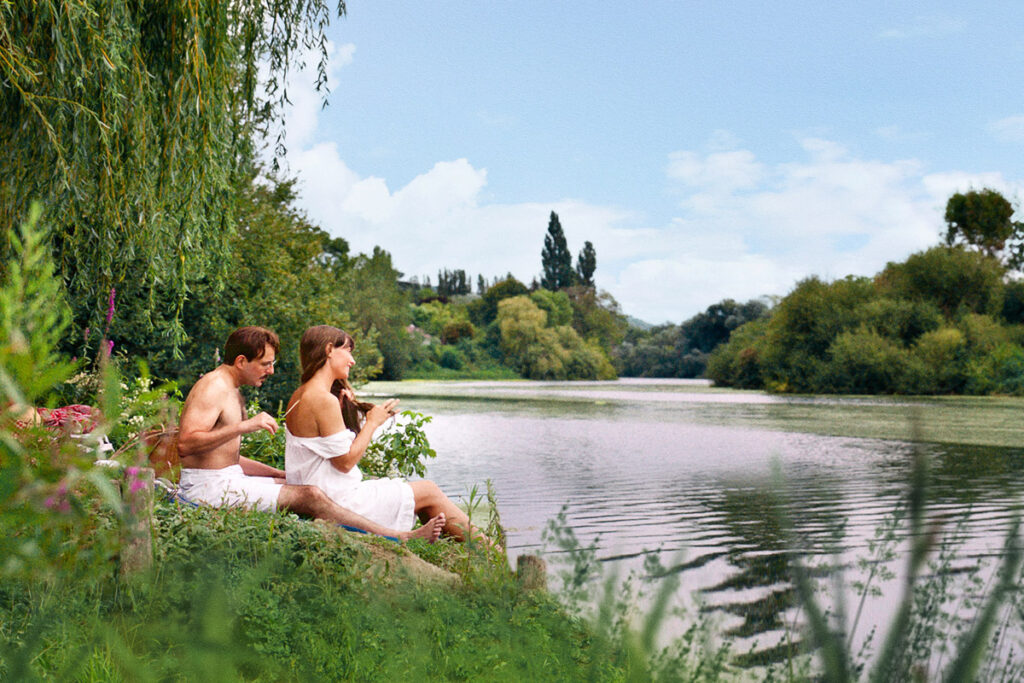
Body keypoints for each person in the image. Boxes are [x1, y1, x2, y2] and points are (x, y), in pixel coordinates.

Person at [177, 326, 444, 543]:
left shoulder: (230, 388)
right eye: (265, 364)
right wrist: (244, 426)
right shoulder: (213, 386)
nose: (270, 371)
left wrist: (276, 473)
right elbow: (186, 444)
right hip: (207, 488)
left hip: (226, 479)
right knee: (310, 496)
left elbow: (224, 457)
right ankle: (398, 537)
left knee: (295, 485)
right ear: (241, 361)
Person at [285, 325, 487, 544]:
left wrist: (353, 409)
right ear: (329, 350)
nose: (352, 360)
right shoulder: (322, 399)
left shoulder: (301, 394)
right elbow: (345, 463)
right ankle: (490, 555)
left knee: (418, 492)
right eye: (348, 351)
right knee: (428, 491)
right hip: (337, 501)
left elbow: (330, 451)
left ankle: (469, 550)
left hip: (326, 492)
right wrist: (372, 423)